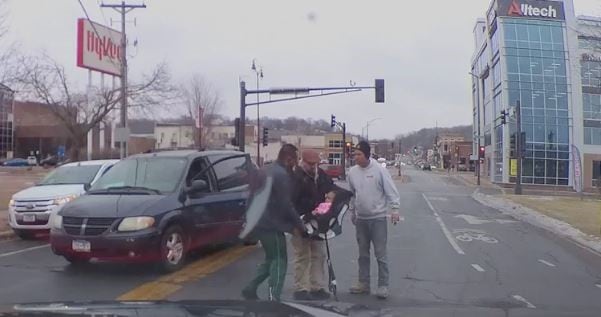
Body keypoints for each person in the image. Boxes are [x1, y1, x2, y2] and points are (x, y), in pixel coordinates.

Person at [241, 144, 306, 302]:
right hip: (272, 224)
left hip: (259, 221)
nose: (296, 163)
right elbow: (285, 204)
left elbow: (251, 195)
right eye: (295, 159)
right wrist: (299, 226)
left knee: (271, 258)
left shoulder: (265, 170)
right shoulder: (281, 174)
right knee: (280, 259)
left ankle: (250, 288)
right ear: (289, 158)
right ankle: (274, 296)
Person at [348, 141, 401, 300]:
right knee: (363, 254)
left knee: (380, 254)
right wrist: (352, 211)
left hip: (378, 218)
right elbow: (352, 194)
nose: (355, 157)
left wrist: (395, 209)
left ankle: (383, 285)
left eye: (358, 154)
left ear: (367, 155)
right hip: (361, 219)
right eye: (354, 154)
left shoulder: (379, 170)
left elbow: (391, 190)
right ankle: (363, 283)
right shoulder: (352, 172)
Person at [290, 149, 338, 300]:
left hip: (318, 222)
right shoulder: (295, 177)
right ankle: (301, 289)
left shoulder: (320, 175)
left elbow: (332, 187)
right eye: (310, 164)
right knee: (302, 255)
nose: (313, 166)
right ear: (302, 161)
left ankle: (317, 287)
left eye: (315, 163)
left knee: (319, 255)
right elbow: (289, 202)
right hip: (300, 221)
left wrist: (331, 195)